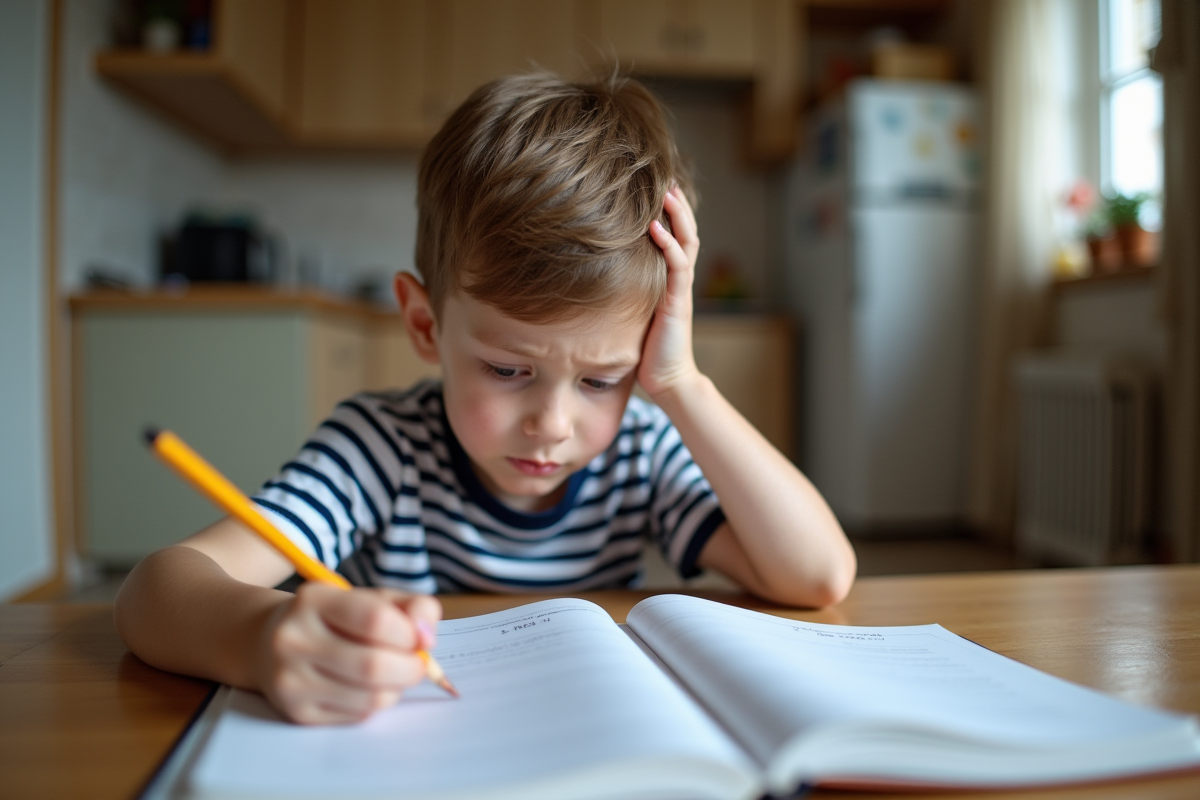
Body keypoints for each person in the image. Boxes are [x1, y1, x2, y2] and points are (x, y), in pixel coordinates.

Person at [114, 72, 856, 725]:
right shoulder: (381, 449)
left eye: (602, 379)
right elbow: (156, 593)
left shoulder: (640, 449)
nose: (552, 425)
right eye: (507, 369)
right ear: (425, 325)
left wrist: (680, 385)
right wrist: (262, 638)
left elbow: (817, 575)